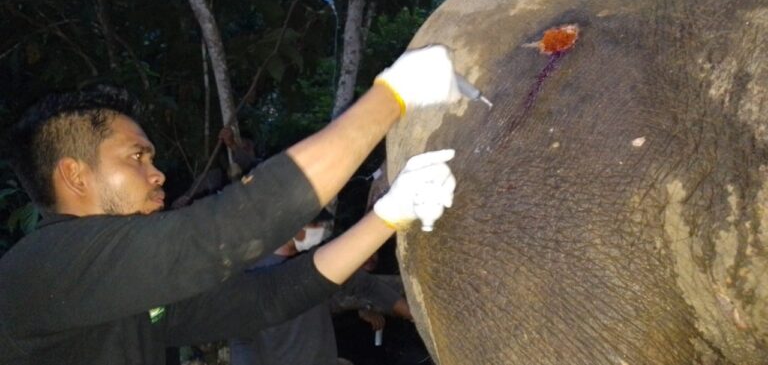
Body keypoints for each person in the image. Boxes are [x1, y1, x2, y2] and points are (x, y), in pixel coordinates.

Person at [0, 45, 461, 365]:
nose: (157, 173)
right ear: (74, 174)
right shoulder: (41, 268)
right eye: (137, 156)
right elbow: (215, 235)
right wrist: (394, 95)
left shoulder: (124, 292)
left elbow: (267, 298)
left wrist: (387, 216)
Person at [229, 210, 411, 365]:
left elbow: (365, 284)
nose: (320, 231)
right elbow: (242, 340)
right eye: (313, 224)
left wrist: (412, 314)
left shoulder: (317, 263)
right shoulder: (252, 277)